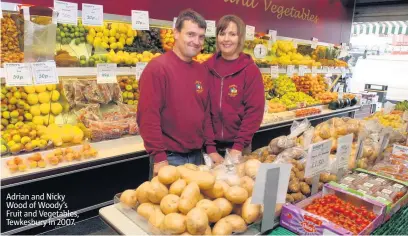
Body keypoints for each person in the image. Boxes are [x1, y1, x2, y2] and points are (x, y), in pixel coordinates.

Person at [137, 9, 215, 175]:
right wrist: (159, 157)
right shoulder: (157, 68)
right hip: (169, 159)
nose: (196, 41)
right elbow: (148, 116)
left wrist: (211, 148)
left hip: (197, 157)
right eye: (191, 34)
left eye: (201, 37)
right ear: (176, 33)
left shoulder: (201, 71)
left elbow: (205, 113)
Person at [204, 15, 265, 164]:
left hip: (240, 147)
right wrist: (210, 148)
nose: (226, 39)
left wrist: (238, 147)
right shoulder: (206, 68)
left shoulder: (250, 70)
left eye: (232, 34)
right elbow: (202, 109)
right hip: (209, 148)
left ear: (240, 38)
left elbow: (254, 111)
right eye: (222, 33)